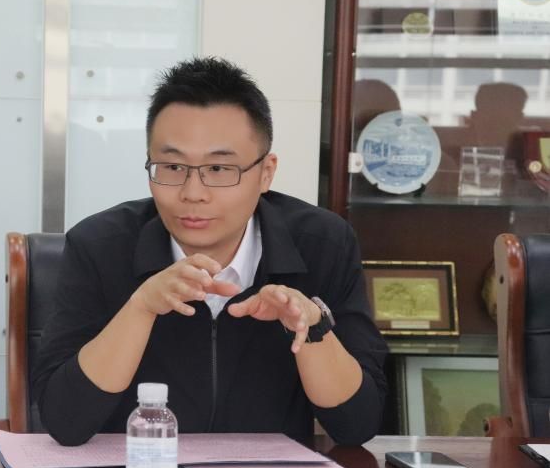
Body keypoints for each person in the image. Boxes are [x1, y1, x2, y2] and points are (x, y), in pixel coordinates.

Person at [34, 57, 388, 446]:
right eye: (172, 167)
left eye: (219, 170)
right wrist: (141, 307)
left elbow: (357, 426)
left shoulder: (323, 244)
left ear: (266, 173)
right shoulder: (99, 246)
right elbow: (64, 422)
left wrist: (312, 325)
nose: (193, 193)